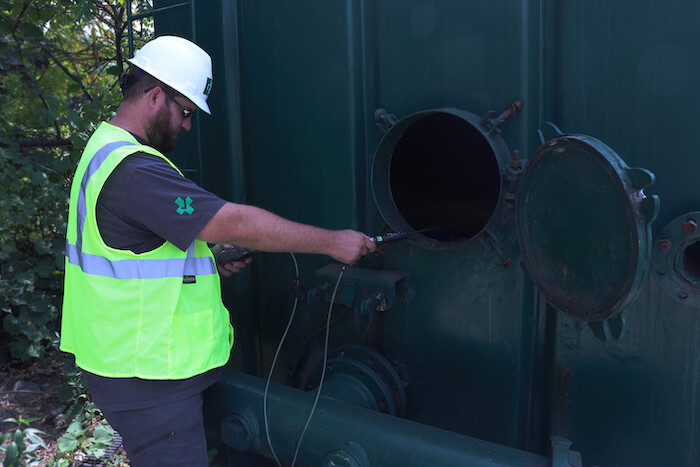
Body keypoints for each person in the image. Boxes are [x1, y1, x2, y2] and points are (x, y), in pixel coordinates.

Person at [60, 35, 376, 466]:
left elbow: (139, 247)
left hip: (136, 371)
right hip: (150, 381)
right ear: (155, 97)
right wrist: (333, 242)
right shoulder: (136, 171)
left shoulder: (107, 152)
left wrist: (209, 257)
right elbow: (234, 221)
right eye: (186, 112)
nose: (188, 125)